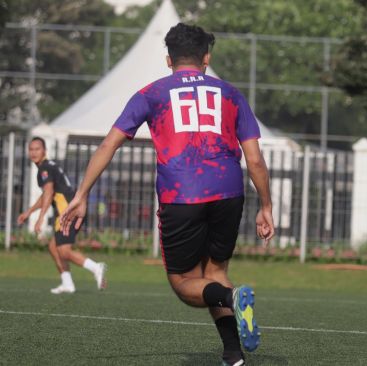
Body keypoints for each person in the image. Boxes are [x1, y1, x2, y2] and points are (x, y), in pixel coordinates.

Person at [60, 23, 274, 366]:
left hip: (182, 193)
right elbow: (255, 160)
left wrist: (82, 193)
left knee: (184, 284)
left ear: (168, 59)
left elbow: (108, 144)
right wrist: (266, 206)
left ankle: (232, 297)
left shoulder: (151, 93)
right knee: (215, 270)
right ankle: (233, 356)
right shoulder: (231, 93)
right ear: (207, 57)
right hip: (229, 190)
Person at [17, 137, 107, 294]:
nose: (33, 152)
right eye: (31, 149)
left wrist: (40, 217)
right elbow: (46, 194)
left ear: (44, 150)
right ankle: (67, 284)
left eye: (37, 149)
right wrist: (29, 212)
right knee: (54, 247)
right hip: (69, 210)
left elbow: (49, 192)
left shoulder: (45, 169)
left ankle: (96, 267)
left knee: (64, 251)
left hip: (68, 213)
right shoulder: (48, 167)